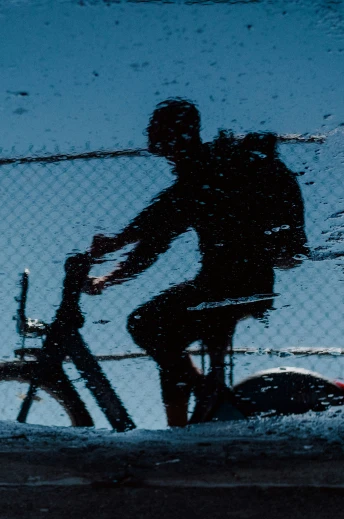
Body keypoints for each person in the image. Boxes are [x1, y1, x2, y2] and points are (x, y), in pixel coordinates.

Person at [84, 99, 308, 427]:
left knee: (145, 323)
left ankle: (199, 401)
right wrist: (110, 276)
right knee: (166, 345)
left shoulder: (208, 168)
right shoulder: (204, 170)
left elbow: (163, 215)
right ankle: (189, 418)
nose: (148, 132)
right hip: (232, 282)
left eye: (156, 125)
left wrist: (115, 245)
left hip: (234, 285)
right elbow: (158, 238)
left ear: (175, 132)